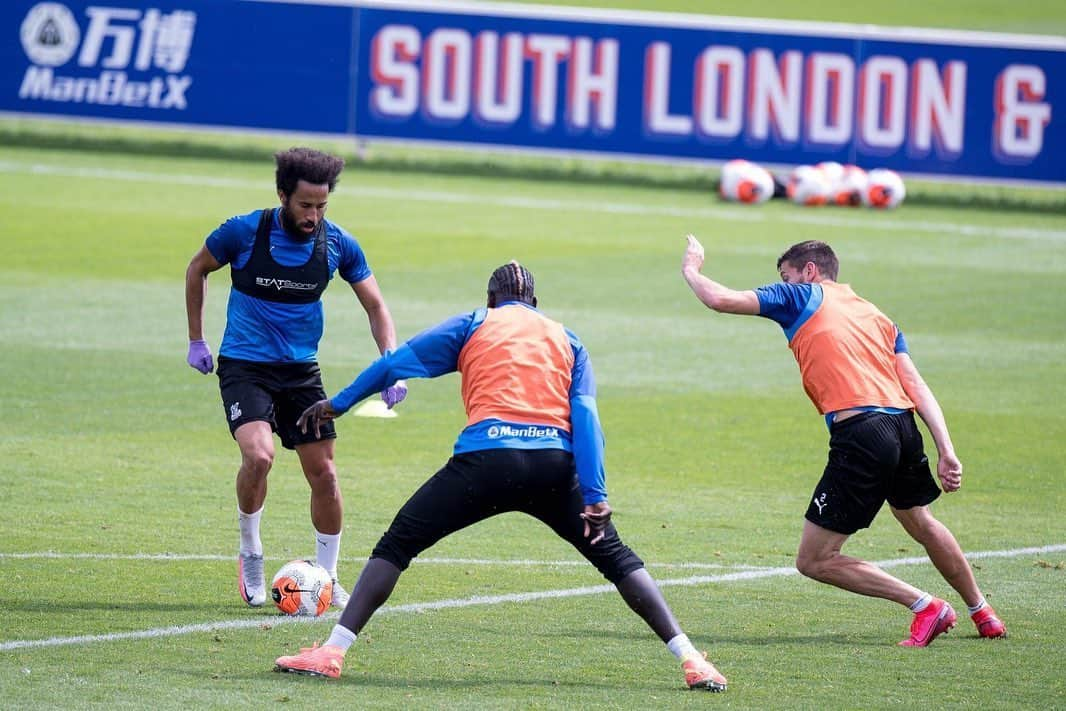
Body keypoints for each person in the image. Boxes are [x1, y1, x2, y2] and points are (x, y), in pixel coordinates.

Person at [272, 261, 728, 691]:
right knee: (616, 557)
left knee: (396, 546)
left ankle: (331, 652)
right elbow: (586, 416)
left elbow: (394, 364)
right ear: (535, 302)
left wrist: (340, 403)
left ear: (493, 299)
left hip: (485, 461)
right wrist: (595, 493)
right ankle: (691, 658)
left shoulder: (475, 323)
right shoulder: (567, 339)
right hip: (553, 466)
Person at [680, 235, 1006, 647]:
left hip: (863, 433)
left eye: (787, 275)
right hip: (904, 429)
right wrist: (946, 449)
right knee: (919, 520)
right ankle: (984, 611)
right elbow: (915, 384)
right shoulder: (877, 315)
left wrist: (692, 269)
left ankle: (925, 605)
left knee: (814, 559)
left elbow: (720, 299)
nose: (783, 283)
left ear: (809, 272)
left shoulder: (800, 296)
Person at [184, 147, 408, 609]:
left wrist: (392, 360)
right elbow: (197, 269)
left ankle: (326, 576)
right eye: (305, 205)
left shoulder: (338, 244)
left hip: (301, 373)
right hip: (245, 366)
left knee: (324, 473)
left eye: (322, 206)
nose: (313, 215)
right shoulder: (245, 232)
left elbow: (375, 305)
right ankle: (250, 550)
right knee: (260, 456)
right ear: (282, 195)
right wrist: (197, 339)